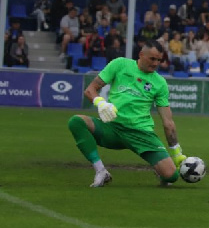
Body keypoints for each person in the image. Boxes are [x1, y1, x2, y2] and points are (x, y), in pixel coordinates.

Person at [67, 40, 188, 187]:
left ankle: (160, 169)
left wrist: (176, 152)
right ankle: (101, 171)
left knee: (171, 176)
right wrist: (101, 103)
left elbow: (168, 122)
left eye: (159, 60)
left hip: (141, 134)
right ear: (141, 55)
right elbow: (90, 90)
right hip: (112, 128)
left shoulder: (160, 83)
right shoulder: (120, 64)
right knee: (76, 122)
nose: (156, 63)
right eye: (152, 59)